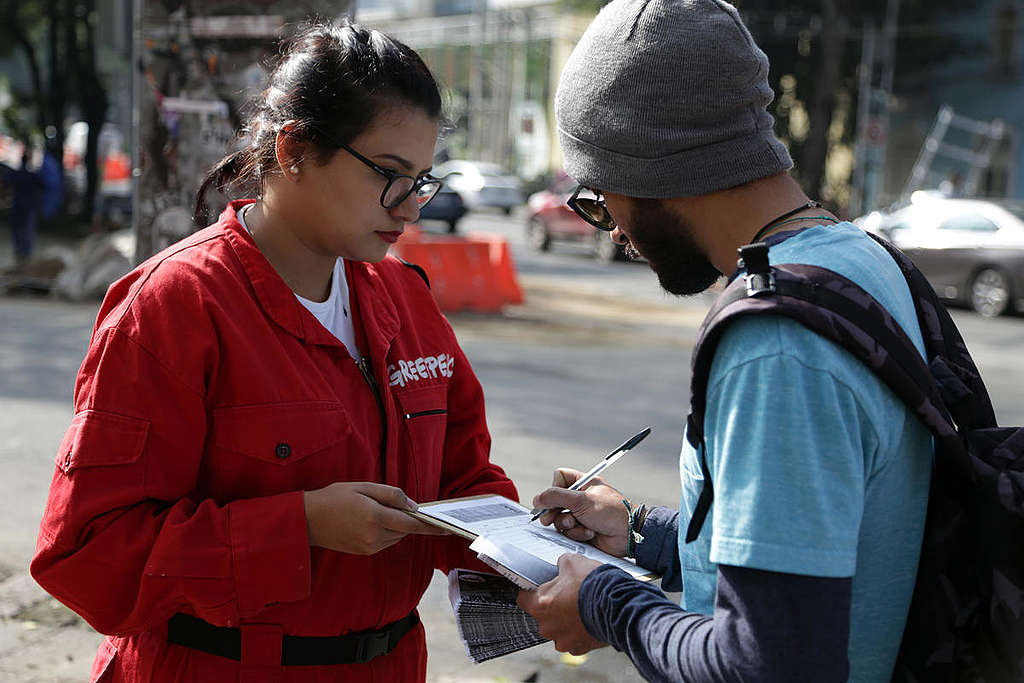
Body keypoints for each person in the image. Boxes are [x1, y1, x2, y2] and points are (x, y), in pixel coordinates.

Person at [31, 21, 516, 683]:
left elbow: (464, 481)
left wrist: (538, 540)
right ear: (294, 150)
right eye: (390, 175)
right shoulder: (176, 307)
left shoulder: (406, 301)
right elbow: (88, 557)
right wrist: (299, 526)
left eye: (422, 180)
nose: (411, 210)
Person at [516, 1, 932, 681]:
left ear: (648, 162)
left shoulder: (776, 341)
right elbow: (822, 551)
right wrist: (648, 536)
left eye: (599, 196)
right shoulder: (861, 261)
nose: (612, 229)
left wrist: (606, 603)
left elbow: (769, 663)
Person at [2, 151, 44, 270]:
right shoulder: (33, 175)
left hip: (17, 206)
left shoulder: (16, 174)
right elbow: (43, 186)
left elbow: (5, 185)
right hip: (29, 207)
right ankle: (26, 254)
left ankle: (19, 252)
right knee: (27, 232)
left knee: (17, 230)